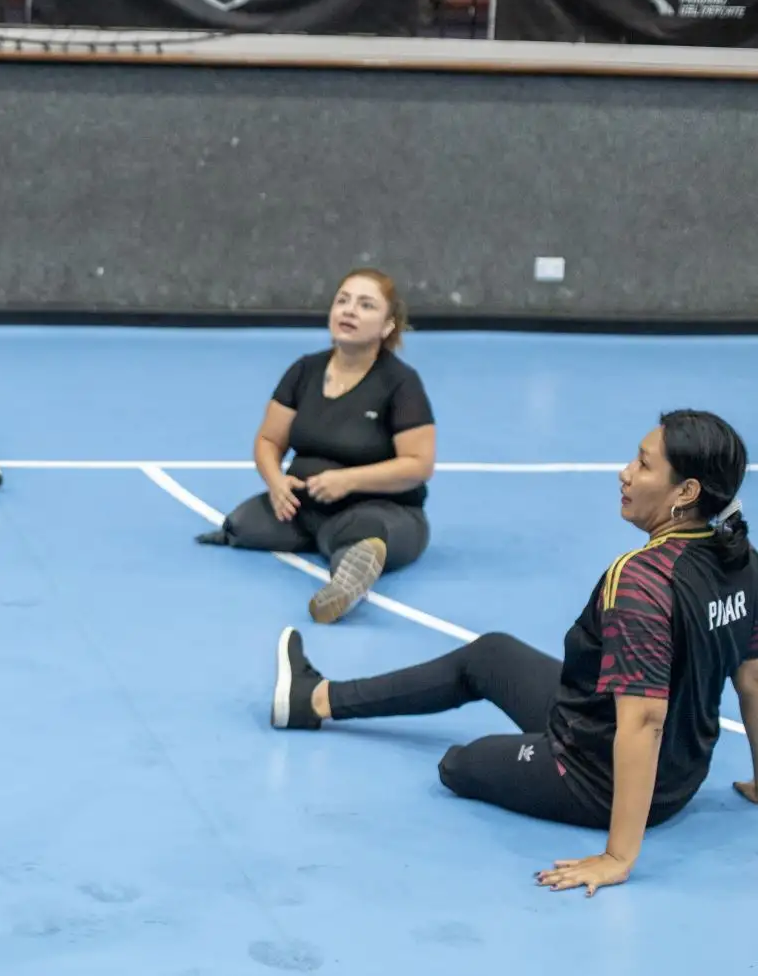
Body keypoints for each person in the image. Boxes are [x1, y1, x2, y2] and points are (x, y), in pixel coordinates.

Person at [270, 410, 758, 895]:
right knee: (491, 654)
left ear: (687, 492)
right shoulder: (741, 559)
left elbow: (645, 722)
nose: (625, 473)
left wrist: (617, 856)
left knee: (459, 764)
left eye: (644, 465)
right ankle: (315, 698)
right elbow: (752, 681)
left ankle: (554, 766)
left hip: (597, 778)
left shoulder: (644, 580)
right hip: (674, 766)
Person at [197, 268, 435, 623]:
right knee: (242, 525)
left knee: (362, 536)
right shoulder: (304, 371)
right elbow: (268, 440)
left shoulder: (401, 383)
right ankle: (328, 540)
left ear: (387, 327)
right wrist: (276, 483)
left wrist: (349, 480)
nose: (349, 310)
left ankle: (347, 578)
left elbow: (418, 465)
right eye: (343, 301)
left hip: (381, 507)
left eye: (365, 305)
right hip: (306, 505)